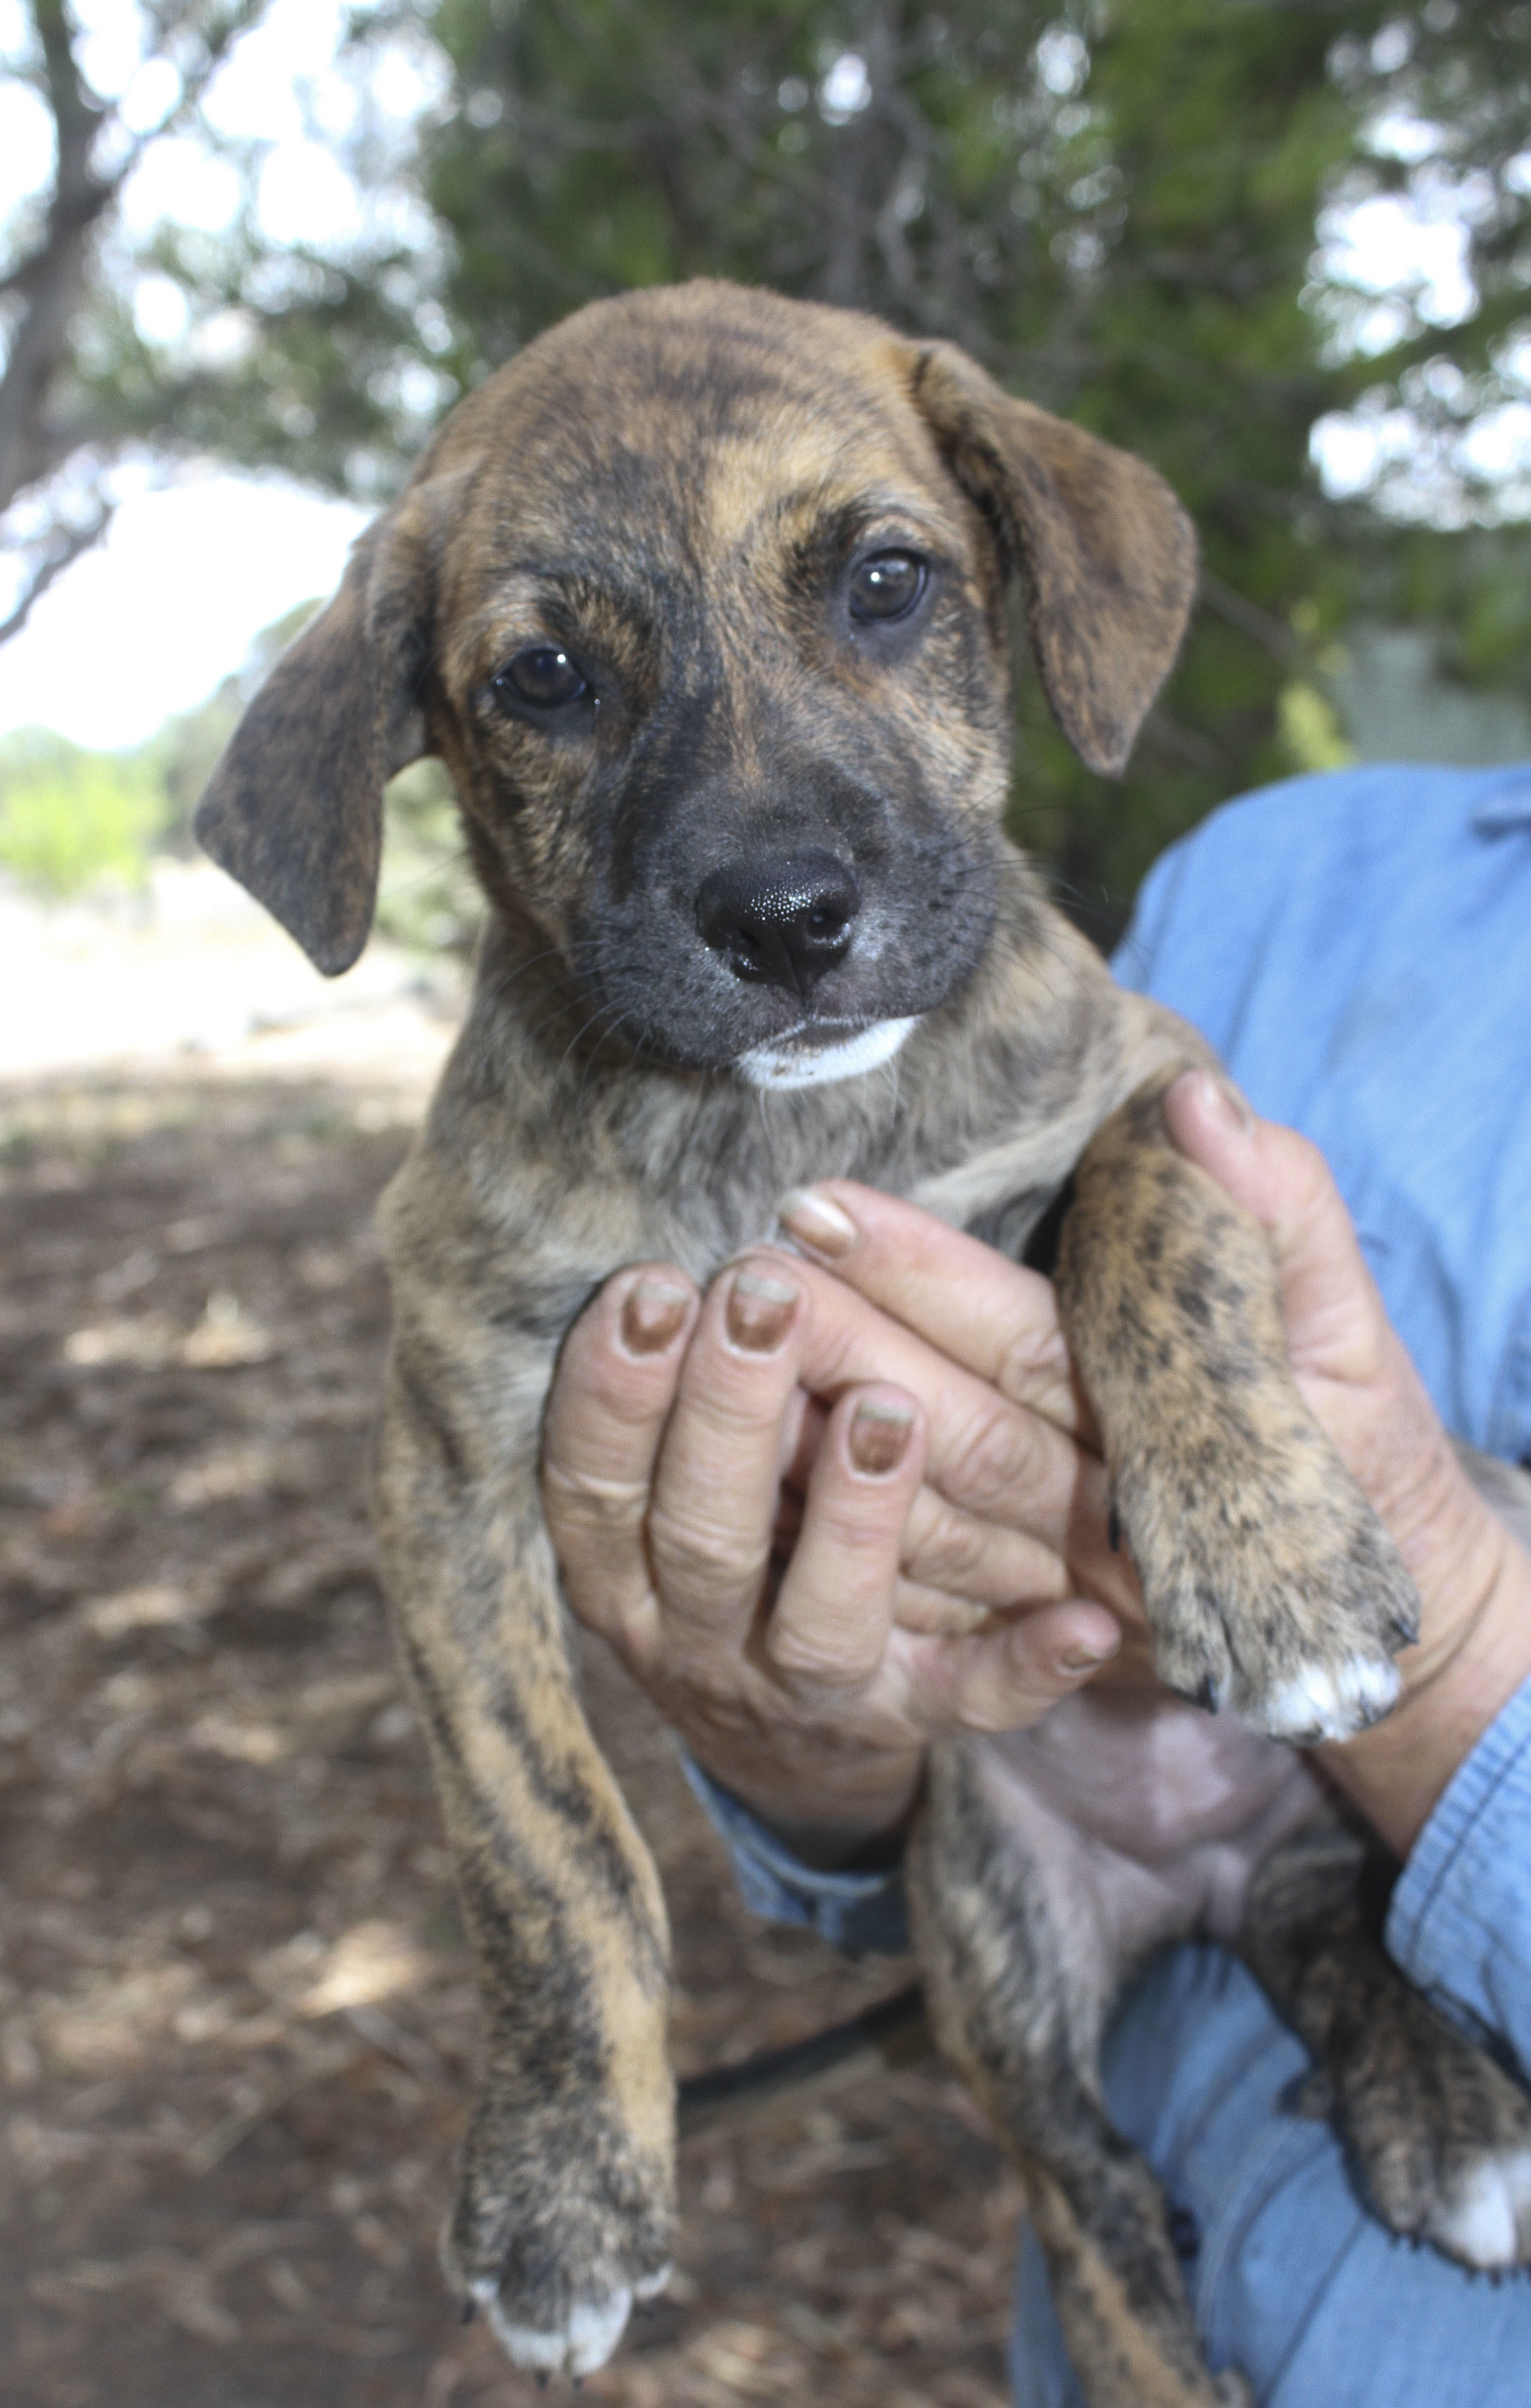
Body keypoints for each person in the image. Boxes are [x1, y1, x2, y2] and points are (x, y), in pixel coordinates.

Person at [539, 762, 1531, 2405]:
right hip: (1042, 1800)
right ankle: (1107, 2256)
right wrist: (820, 1735)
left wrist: (1460, 1652)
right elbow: (1114, 1175)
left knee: (1305, 1903)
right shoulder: (1278, 864)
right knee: (1070, 2119)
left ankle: (1372, 2022)